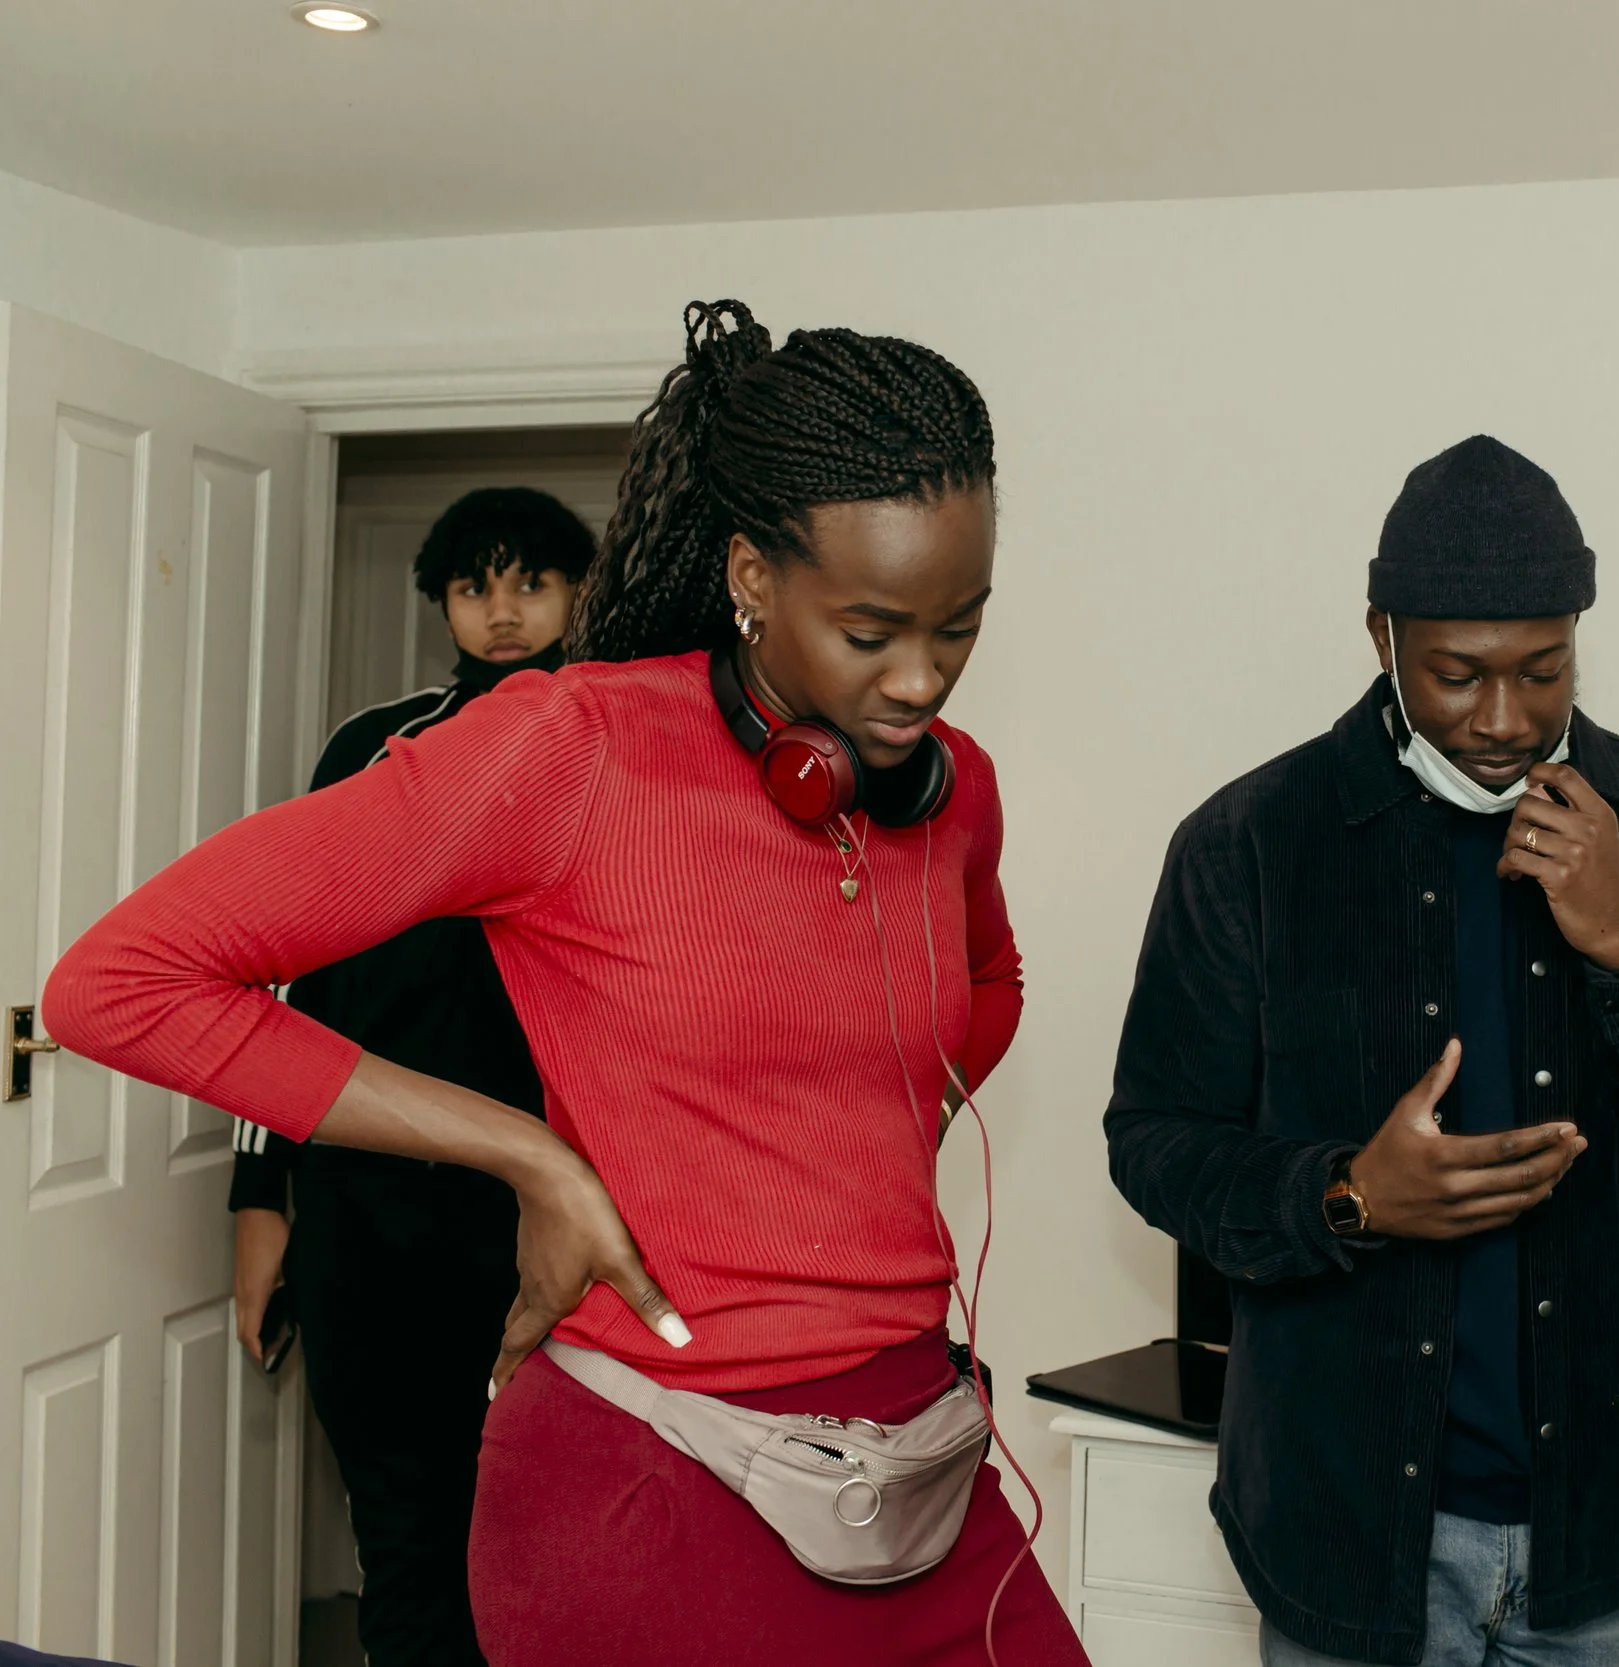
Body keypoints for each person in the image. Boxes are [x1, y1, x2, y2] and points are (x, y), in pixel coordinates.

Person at [41, 300, 1085, 1667]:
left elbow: (989, 978)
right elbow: (122, 982)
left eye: (960, 625)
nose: (921, 679)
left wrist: (850, 1141)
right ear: (751, 575)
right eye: (872, 628)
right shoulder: (570, 750)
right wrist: (529, 1152)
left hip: (919, 1462)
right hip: (653, 1483)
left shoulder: (949, 790)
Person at [1105, 436, 1619, 1667]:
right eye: (1457, 673)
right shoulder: (1248, 841)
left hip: (1606, 1529)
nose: (1503, 718)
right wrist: (1349, 1193)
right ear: (1381, 635)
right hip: (1344, 1528)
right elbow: (1153, 1142)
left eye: (1543, 670)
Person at [227, 486, 592, 1667]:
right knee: (402, 1534)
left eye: (530, 581)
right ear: (442, 601)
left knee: (537, 1536)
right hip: (363, 1206)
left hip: (538, 1208)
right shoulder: (373, 746)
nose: (502, 610)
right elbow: (283, 970)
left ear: (577, 590)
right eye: (474, 585)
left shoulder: (612, 739)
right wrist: (257, 1198)